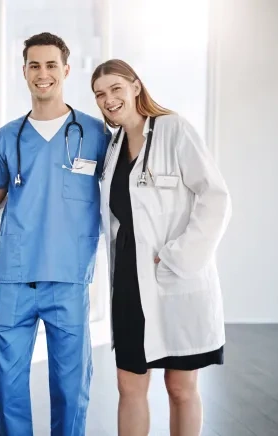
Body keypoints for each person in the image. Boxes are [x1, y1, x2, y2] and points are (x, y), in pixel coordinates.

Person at [0, 33, 110, 436]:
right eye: (34, 65)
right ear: (24, 72)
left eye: (51, 65)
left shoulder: (95, 134)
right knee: (8, 388)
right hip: (15, 279)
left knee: (71, 389)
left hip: (69, 279)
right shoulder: (8, 136)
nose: (43, 73)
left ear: (66, 70)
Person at [92, 59, 231, 436]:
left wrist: (179, 255)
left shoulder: (174, 130)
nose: (109, 99)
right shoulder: (113, 147)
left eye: (116, 88)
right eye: (100, 94)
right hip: (128, 280)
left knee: (181, 388)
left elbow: (215, 197)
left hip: (175, 277)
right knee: (129, 386)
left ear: (136, 86)